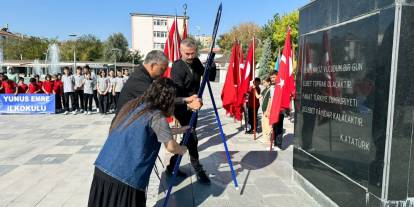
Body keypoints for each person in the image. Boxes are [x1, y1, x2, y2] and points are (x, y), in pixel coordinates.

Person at [88, 78, 188, 207]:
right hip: (125, 178)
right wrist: (182, 149)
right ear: (168, 100)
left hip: (103, 168)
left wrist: (180, 130)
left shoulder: (137, 105)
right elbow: (170, 147)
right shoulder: (157, 116)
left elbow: (155, 130)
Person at [167, 38, 216, 184]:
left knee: (188, 137)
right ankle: (198, 168)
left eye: (192, 53)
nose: (190, 57)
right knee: (192, 136)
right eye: (187, 54)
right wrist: (190, 102)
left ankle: (172, 165)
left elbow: (209, 77)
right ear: (181, 51)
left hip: (195, 105)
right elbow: (177, 93)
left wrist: (211, 62)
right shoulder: (177, 67)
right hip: (181, 107)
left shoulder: (195, 62)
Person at [116, 50, 201, 115]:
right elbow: (159, 102)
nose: (163, 73)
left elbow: (159, 97)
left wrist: (185, 99)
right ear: (153, 66)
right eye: (162, 69)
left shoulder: (142, 74)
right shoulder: (140, 79)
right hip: (124, 129)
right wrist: (189, 106)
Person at [265, 71, 284, 151]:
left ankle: (278, 145)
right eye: (271, 77)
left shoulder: (281, 86)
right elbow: (270, 99)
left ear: (277, 77)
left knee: (278, 128)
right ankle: (273, 143)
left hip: (279, 111)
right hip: (273, 110)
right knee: (273, 127)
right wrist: (268, 110)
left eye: (273, 77)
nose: (272, 79)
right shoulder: (272, 88)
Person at [260, 77, 272, 142]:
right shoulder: (265, 89)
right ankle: (264, 138)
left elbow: (270, 101)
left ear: (269, 82)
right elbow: (258, 96)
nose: (263, 83)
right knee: (263, 124)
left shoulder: (270, 90)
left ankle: (268, 139)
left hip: (267, 110)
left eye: (264, 82)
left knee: (267, 125)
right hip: (263, 110)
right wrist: (254, 89)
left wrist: (267, 110)